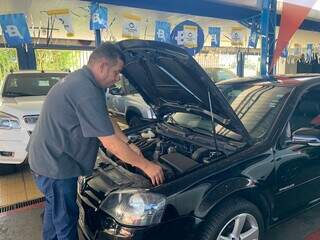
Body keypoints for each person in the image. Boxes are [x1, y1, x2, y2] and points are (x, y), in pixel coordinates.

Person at [27, 42, 164, 240]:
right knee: (66, 220)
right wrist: (147, 166)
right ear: (102, 66)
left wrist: (128, 143)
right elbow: (109, 143)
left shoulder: (86, 81)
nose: (117, 79)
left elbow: (105, 119)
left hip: (46, 158)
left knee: (54, 212)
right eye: (116, 72)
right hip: (55, 166)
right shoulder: (85, 89)